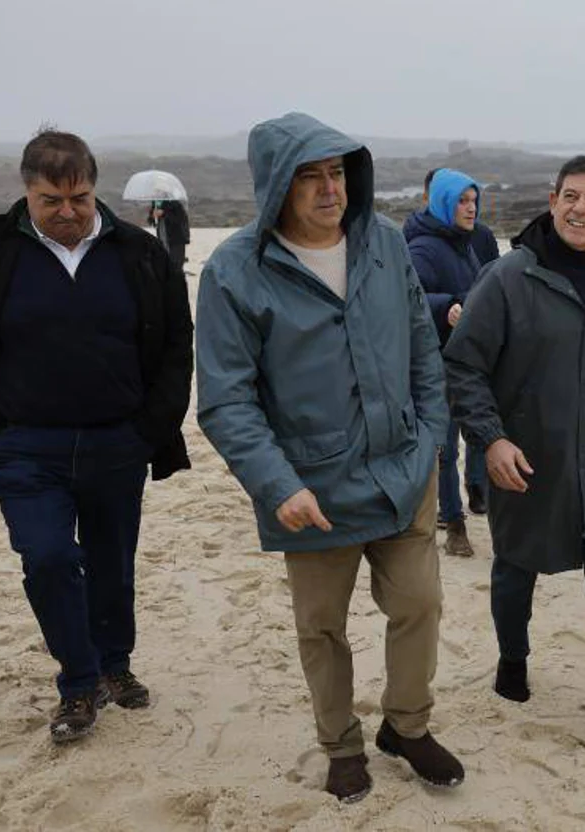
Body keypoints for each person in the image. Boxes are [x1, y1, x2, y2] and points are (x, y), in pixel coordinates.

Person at [195, 113, 463, 803]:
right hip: (309, 490)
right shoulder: (234, 272)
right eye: (308, 176)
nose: (327, 189)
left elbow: (422, 351)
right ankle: (341, 744)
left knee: (420, 604)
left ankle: (406, 725)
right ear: (276, 185)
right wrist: (276, 484)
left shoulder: (385, 243)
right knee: (322, 628)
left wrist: (431, 436)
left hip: (404, 468)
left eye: (336, 172)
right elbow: (226, 401)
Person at [444, 155, 585, 775]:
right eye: (570, 196)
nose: (579, 208)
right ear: (552, 201)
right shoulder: (508, 277)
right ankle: (512, 659)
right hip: (525, 461)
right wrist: (490, 439)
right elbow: (462, 365)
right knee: (516, 572)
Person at [0, 128, 193, 743]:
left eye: (80, 198)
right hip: (21, 447)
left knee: (111, 563)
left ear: (94, 190)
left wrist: (149, 430)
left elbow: (176, 345)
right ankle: (78, 680)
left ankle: (115, 664)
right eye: (51, 201)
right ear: (27, 191)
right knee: (48, 557)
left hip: (115, 441)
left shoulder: (140, 254)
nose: (67, 213)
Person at [405, 168, 497, 518]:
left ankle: (477, 492)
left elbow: (490, 283)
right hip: (436, 358)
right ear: (443, 202)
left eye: (474, 200)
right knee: (444, 443)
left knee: (478, 429)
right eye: (462, 201)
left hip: (472, 354)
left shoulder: (470, 239)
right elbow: (407, 299)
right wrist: (447, 308)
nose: (471, 208)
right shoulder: (421, 247)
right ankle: (450, 514)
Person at [147, 199, 190, 275]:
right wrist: (152, 216)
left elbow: (179, 219)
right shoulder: (156, 204)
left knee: (176, 265)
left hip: (176, 240)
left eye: (158, 191)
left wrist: (164, 213)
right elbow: (152, 221)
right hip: (162, 239)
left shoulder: (175, 203)